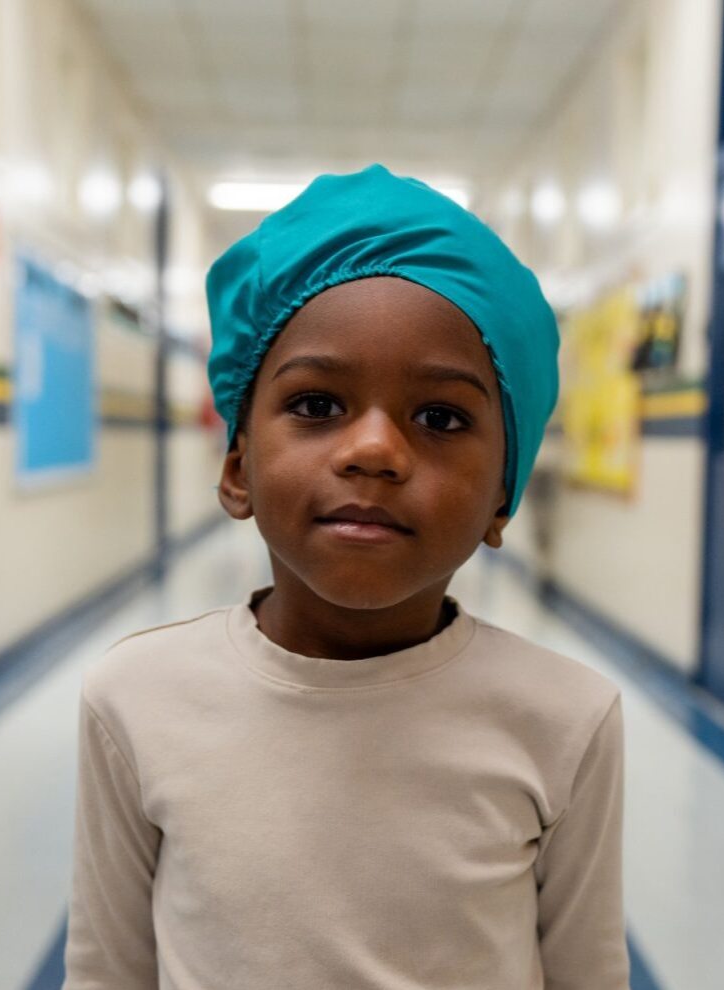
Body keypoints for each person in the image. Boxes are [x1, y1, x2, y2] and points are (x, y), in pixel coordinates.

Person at [62, 164, 630, 989]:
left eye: (440, 418)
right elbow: (106, 972)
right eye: (317, 405)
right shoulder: (134, 700)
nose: (372, 450)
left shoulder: (565, 720)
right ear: (238, 469)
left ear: (501, 499)